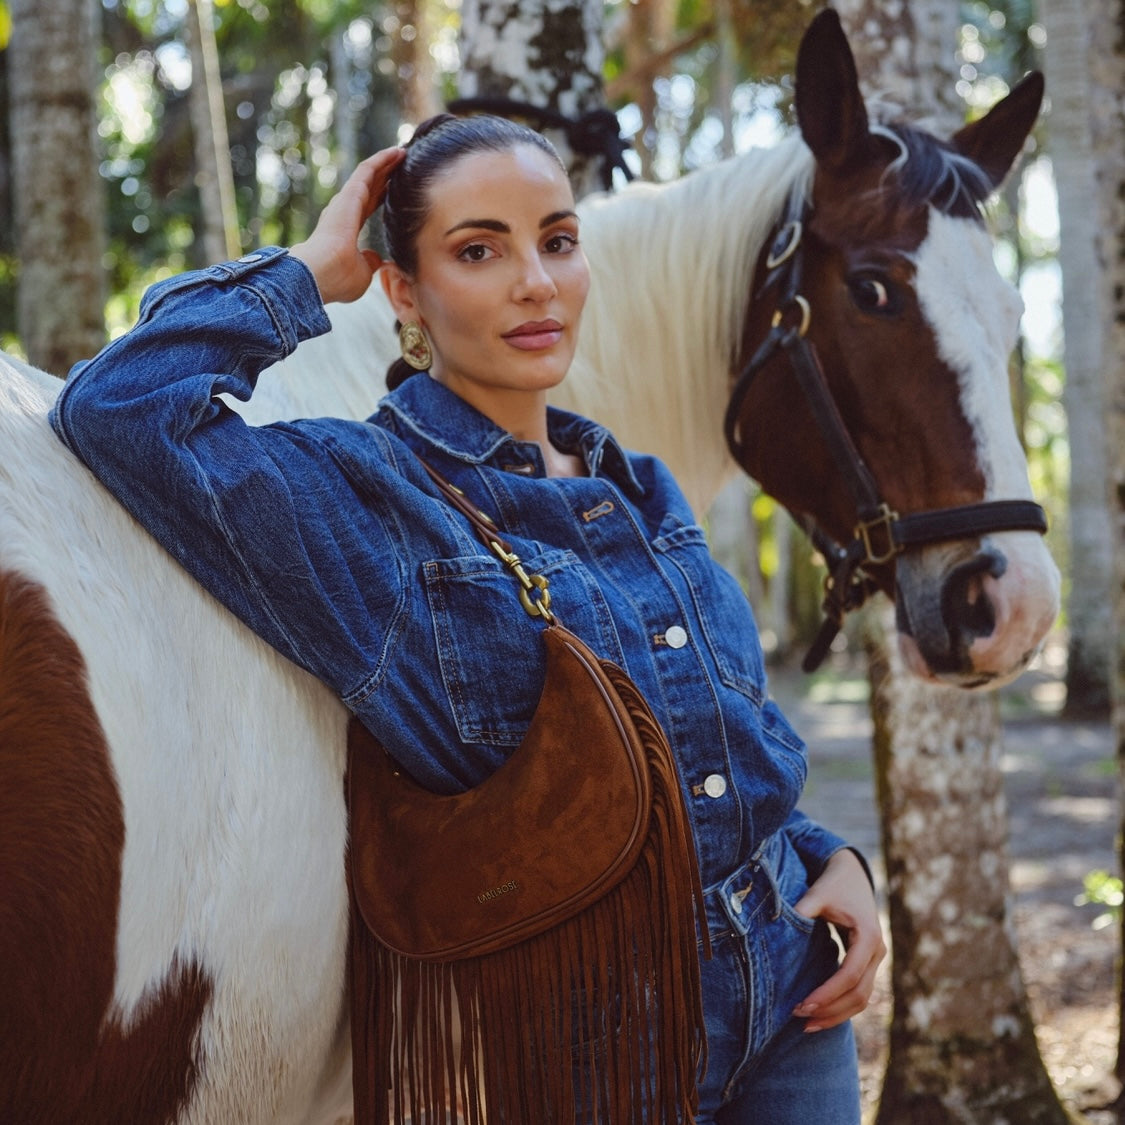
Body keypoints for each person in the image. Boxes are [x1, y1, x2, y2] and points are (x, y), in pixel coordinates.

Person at [50, 113, 885, 1123]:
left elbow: (715, 735)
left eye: (558, 239)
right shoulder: (367, 498)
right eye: (478, 249)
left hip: (795, 1005)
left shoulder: (638, 487)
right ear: (404, 288)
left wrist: (830, 858)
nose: (536, 280)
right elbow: (119, 407)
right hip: (593, 1047)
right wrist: (313, 269)